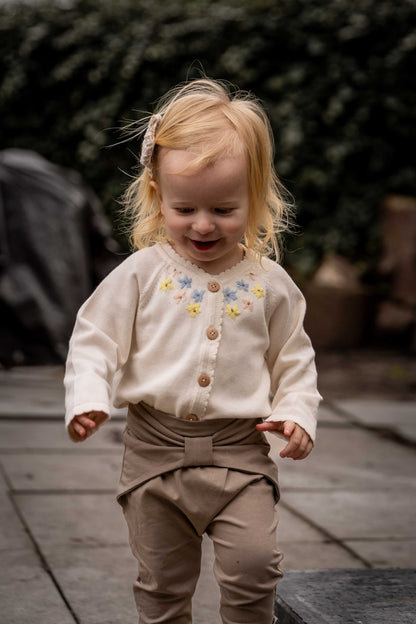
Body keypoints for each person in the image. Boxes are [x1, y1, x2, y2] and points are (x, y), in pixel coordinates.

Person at [64, 78, 321, 624]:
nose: (203, 225)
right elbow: (95, 339)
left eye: (224, 209)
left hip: (240, 455)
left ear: (256, 197)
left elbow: (294, 361)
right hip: (154, 455)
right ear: (158, 195)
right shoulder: (140, 274)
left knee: (255, 571)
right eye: (186, 208)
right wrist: (89, 395)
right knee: (162, 587)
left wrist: (296, 412)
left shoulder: (269, 283)